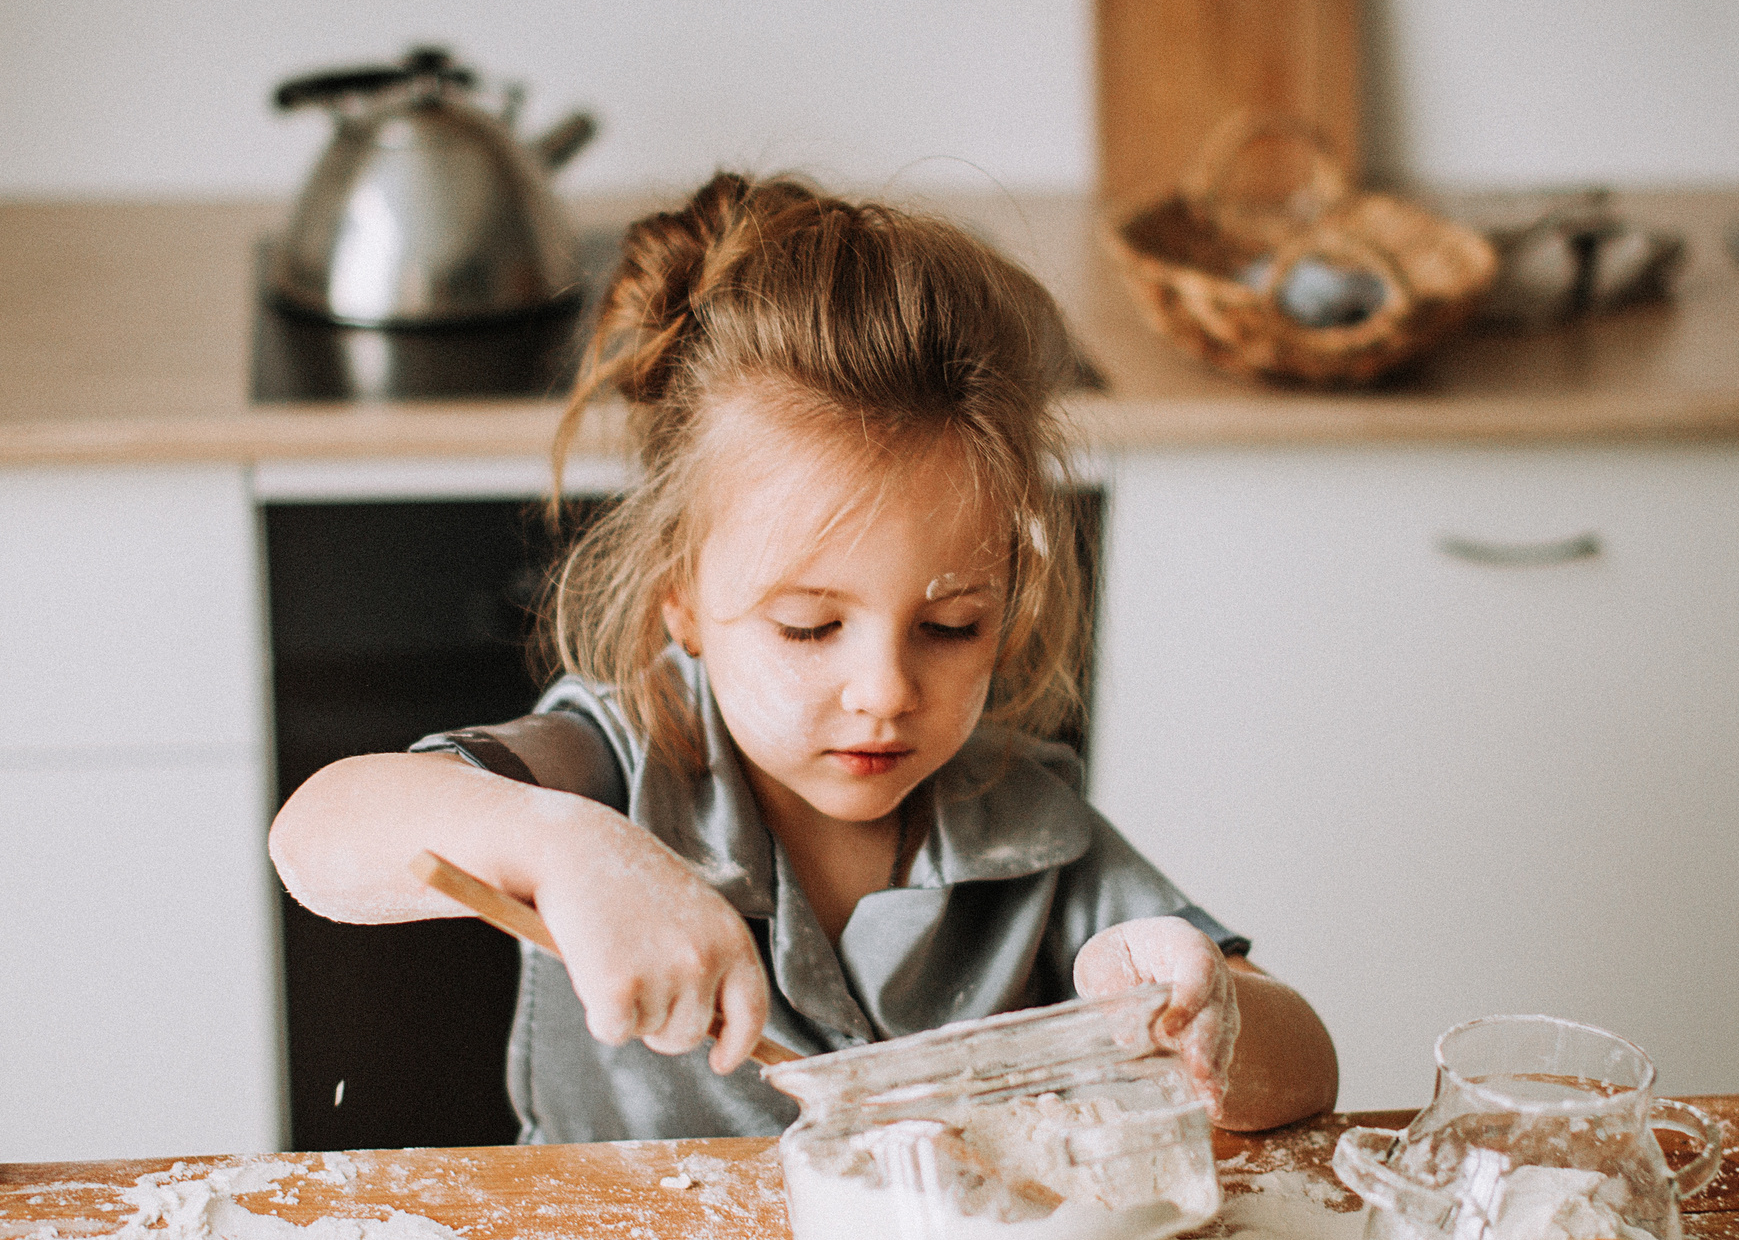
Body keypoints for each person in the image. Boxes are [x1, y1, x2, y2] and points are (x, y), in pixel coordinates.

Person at [268, 172, 1338, 1144]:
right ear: (681, 598)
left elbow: (1309, 1073)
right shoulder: (619, 761)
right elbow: (318, 837)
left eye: (951, 624)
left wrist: (1212, 1019)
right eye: (809, 628)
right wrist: (560, 847)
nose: (883, 692)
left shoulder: (1027, 824)